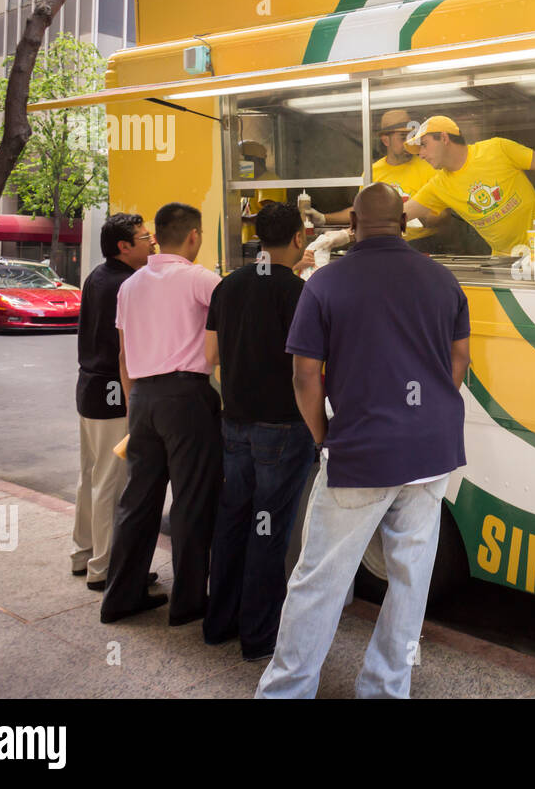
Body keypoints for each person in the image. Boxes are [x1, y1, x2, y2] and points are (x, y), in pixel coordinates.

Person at [256, 182, 470, 699]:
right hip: (432, 452)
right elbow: (459, 359)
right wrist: (428, 415)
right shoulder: (443, 279)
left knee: (319, 580)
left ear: (352, 225)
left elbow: (304, 376)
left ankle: (286, 691)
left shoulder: (326, 283)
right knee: (411, 580)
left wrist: (323, 436)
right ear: (404, 224)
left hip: (360, 451)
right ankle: (385, 688)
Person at [203, 202, 316, 660]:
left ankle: (218, 624)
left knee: (233, 520)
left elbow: (210, 355)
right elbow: (310, 367)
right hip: (283, 427)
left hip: (235, 422)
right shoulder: (300, 293)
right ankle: (258, 636)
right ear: (298, 238)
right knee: (268, 529)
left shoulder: (227, 285)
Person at [100, 203, 224, 625]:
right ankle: (188, 603)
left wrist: (134, 406)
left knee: (137, 501)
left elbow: (123, 355)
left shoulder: (130, 285)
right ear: (193, 236)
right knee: (192, 501)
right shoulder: (200, 279)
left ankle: (121, 596)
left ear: (158, 238)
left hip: (142, 399)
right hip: (186, 398)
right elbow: (234, 318)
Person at [72, 213, 157, 592]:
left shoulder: (97, 276)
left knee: (91, 477)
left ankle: (83, 554)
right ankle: (104, 568)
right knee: (111, 483)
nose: (152, 242)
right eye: (144, 237)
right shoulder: (128, 284)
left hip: (89, 389)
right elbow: (127, 351)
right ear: (124, 246)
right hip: (113, 393)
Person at [401, 114, 535, 255]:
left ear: (444, 138)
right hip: (505, 261)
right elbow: (402, 213)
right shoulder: (439, 186)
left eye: (424, 145)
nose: (421, 154)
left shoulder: (497, 148)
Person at [302, 108, 448, 253]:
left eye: (411, 137)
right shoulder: (373, 172)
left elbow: (445, 214)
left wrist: (420, 216)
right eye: (403, 138)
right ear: (385, 140)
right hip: (383, 246)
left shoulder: (429, 167)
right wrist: (324, 218)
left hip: (423, 246)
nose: (409, 143)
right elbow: (361, 211)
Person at [239, 140, 287, 245]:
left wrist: (241, 219)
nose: (239, 167)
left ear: (254, 161)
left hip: (263, 245)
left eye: (241, 163)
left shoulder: (269, 181)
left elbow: (269, 216)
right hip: (249, 245)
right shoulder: (250, 182)